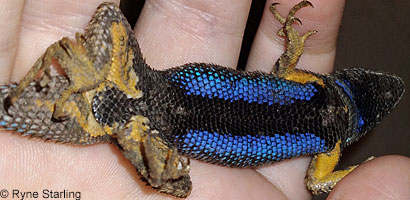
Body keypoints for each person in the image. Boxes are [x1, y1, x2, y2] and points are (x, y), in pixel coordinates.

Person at [0, 0, 408, 199]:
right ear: (360, 129)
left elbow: (284, 71)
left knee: (109, 15)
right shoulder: (330, 150)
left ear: (346, 81)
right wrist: (349, 173)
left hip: (145, 91)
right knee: (181, 184)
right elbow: (318, 182)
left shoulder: (316, 86)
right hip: (150, 134)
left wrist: (295, 43)